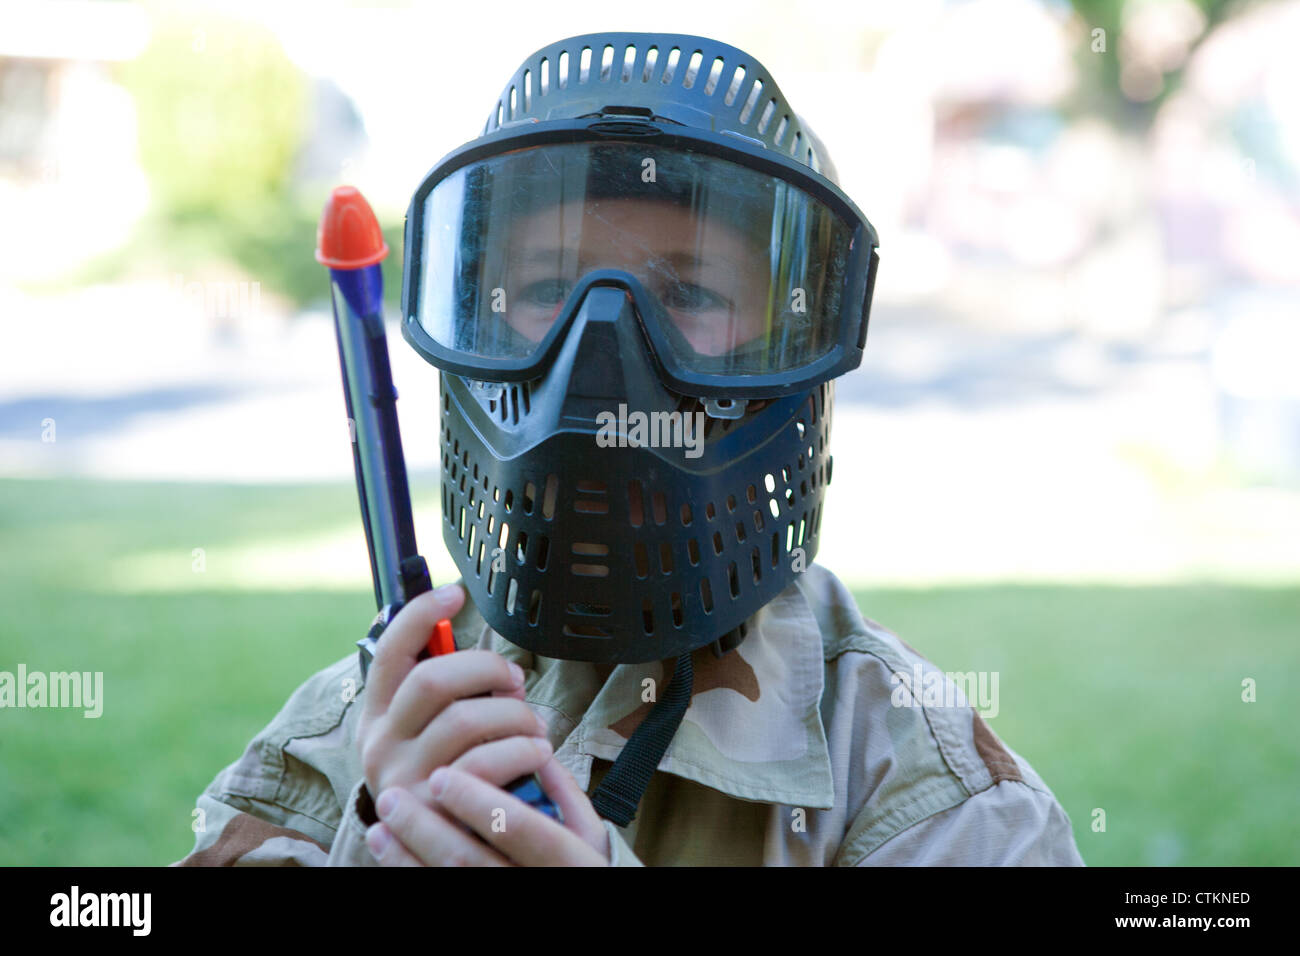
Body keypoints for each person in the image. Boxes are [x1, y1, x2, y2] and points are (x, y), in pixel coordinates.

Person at [178, 31, 1085, 867]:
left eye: (689, 293)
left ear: (798, 352)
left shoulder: (917, 783)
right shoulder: (369, 722)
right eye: (544, 287)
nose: (601, 356)